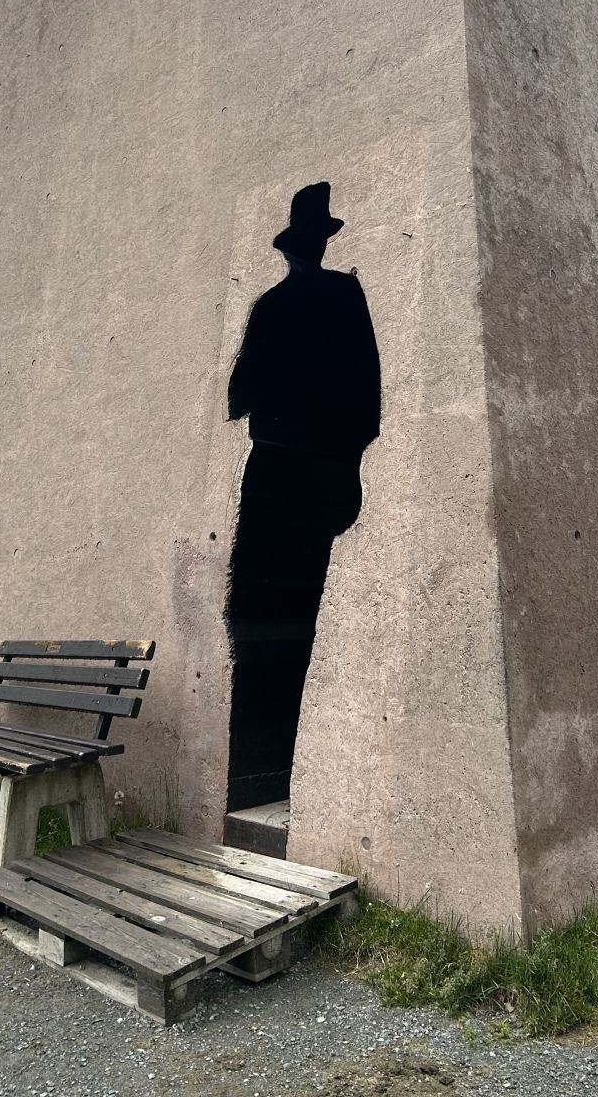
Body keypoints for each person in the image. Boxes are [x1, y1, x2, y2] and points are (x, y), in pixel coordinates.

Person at [224, 182, 381, 810]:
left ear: (294, 249)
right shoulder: (345, 295)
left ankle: (263, 769)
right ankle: (275, 770)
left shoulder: (271, 305)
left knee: (262, 613)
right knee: (299, 611)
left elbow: (240, 397)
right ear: (321, 242)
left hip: (278, 471)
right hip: (325, 471)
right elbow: (367, 391)